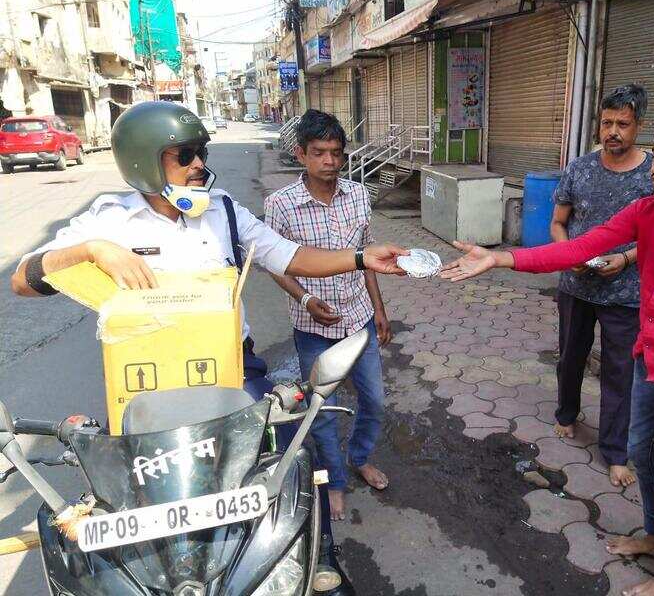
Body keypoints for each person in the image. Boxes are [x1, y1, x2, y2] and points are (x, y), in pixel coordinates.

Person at [11, 100, 407, 596]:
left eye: (201, 152)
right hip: (148, 382)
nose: (200, 164)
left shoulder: (222, 210)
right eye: (185, 155)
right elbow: (23, 280)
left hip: (231, 366)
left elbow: (288, 256)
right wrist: (93, 250)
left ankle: (320, 560)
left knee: (288, 461)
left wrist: (358, 256)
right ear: (143, 160)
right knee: (143, 494)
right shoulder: (110, 220)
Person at [441, 107, 654, 596]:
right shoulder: (647, 212)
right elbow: (579, 247)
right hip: (650, 358)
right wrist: (501, 257)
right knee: (641, 453)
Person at [266, 109, 390, 522]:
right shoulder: (281, 205)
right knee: (321, 410)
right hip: (312, 329)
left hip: (360, 321)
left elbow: (366, 259)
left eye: (336, 153)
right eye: (319, 152)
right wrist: (304, 300)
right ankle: (334, 482)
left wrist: (380, 311)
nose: (329, 162)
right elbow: (276, 264)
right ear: (301, 154)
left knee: (375, 400)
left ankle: (360, 457)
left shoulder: (358, 195)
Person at [550, 84, 652, 488]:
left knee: (620, 371)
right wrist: (567, 253)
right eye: (607, 122)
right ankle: (565, 414)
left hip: (626, 292)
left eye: (622, 124)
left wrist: (626, 258)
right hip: (576, 285)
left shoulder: (653, 174)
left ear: (638, 126)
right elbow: (559, 223)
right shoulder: (579, 169)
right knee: (569, 357)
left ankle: (615, 452)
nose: (613, 131)